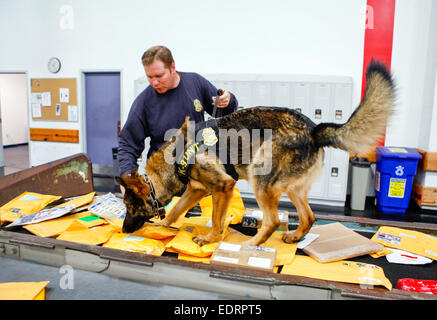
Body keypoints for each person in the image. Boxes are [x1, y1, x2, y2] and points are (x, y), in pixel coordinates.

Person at [117, 45, 238, 193]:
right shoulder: (144, 102)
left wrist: (228, 100)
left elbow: (223, 112)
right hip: (164, 183)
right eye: (149, 77)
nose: (154, 82)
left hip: (199, 177)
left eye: (159, 76)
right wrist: (128, 176)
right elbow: (128, 144)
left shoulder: (195, 83)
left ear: (172, 67)